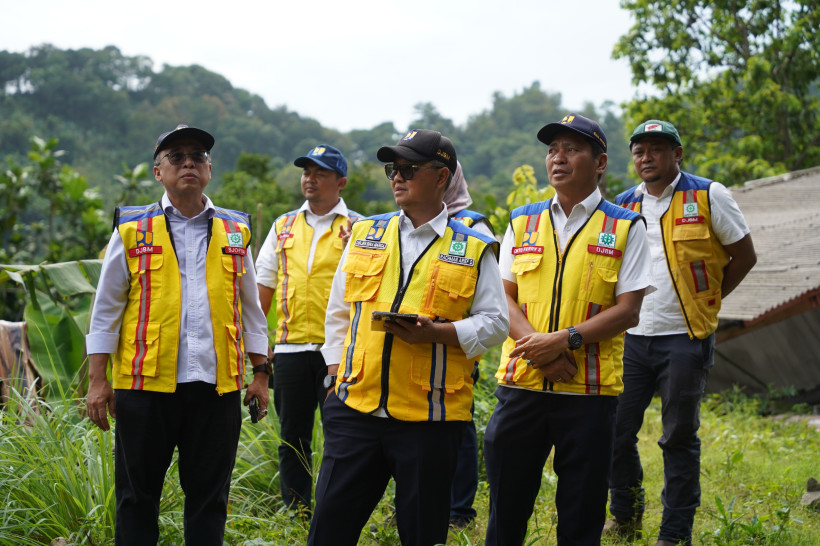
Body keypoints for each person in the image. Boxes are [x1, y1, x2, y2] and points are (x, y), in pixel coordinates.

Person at [307, 129, 509, 546]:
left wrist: (439, 333)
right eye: (393, 169)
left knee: (421, 533)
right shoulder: (366, 234)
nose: (397, 177)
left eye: (409, 169)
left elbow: (495, 323)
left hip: (429, 419)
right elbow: (339, 312)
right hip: (355, 409)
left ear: (441, 177)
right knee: (328, 530)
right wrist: (333, 374)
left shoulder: (475, 244)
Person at [85, 124, 271, 545]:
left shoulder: (235, 230)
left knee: (210, 499)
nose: (189, 163)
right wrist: (98, 381)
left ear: (209, 169)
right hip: (144, 386)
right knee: (136, 497)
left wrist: (261, 374)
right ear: (158, 172)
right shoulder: (132, 229)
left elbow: (251, 311)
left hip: (216, 388)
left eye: (198, 156)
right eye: (177, 157)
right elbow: (106, 310)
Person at [483, 113, 653, 545]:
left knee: (582, 510)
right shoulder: (522, 221)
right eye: (552, 150)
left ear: (599, 162)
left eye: (572, 149)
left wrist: (564, 341)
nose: (558, 158)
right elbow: (503, 298)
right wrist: (541, 351)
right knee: (506, 508)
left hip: (589, 394)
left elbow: (628, 310)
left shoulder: (625, 225)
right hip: (522, 386)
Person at [606, 119, 757, 546]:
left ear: (678, 154)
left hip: (684, 337)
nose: (646, 157)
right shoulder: (622, 205)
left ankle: (674, 535)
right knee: (616, 431)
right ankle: (626, 515)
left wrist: (710, 301)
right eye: (639, 150)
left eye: (657, 149)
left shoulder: (709, 194)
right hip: (632, 337)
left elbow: (743, 256)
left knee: (678, 437)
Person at [255, 144, 361, 517]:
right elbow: (262, 287)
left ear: (341, 182)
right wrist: (256, 344)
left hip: (341, 352)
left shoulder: (359, 228)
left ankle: (337, 512)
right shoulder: (283, 226)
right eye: (306, 172)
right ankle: (297, 511)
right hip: (290, 349)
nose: (310, 179)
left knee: (342, 436)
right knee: (292, 438)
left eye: (320, 173)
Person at [445, 161, 496, 530]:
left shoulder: (473, 224)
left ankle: (460, 510)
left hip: (457, 342)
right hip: (412, 341)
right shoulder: (401, 222)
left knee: (458, 423)